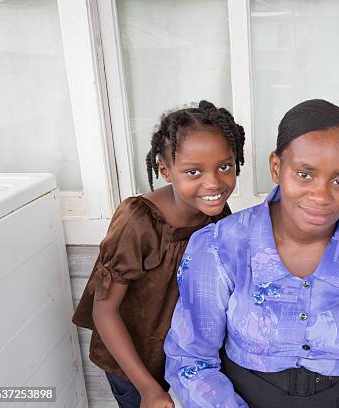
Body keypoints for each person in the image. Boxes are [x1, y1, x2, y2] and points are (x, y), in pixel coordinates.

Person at [164, 99, 339, 407]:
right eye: (305, 174)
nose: (321, 196)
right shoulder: (220, 246)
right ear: (276, 167)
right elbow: (191, 360)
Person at [72, 101, 246, 408]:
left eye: (225, 166)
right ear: (165, 170)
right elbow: (104, 310)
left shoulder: (218, 216)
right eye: (193, 171)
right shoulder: (137, 222)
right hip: (134, 364)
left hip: (186, 360)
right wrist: (147, 389)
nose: (214, 183)